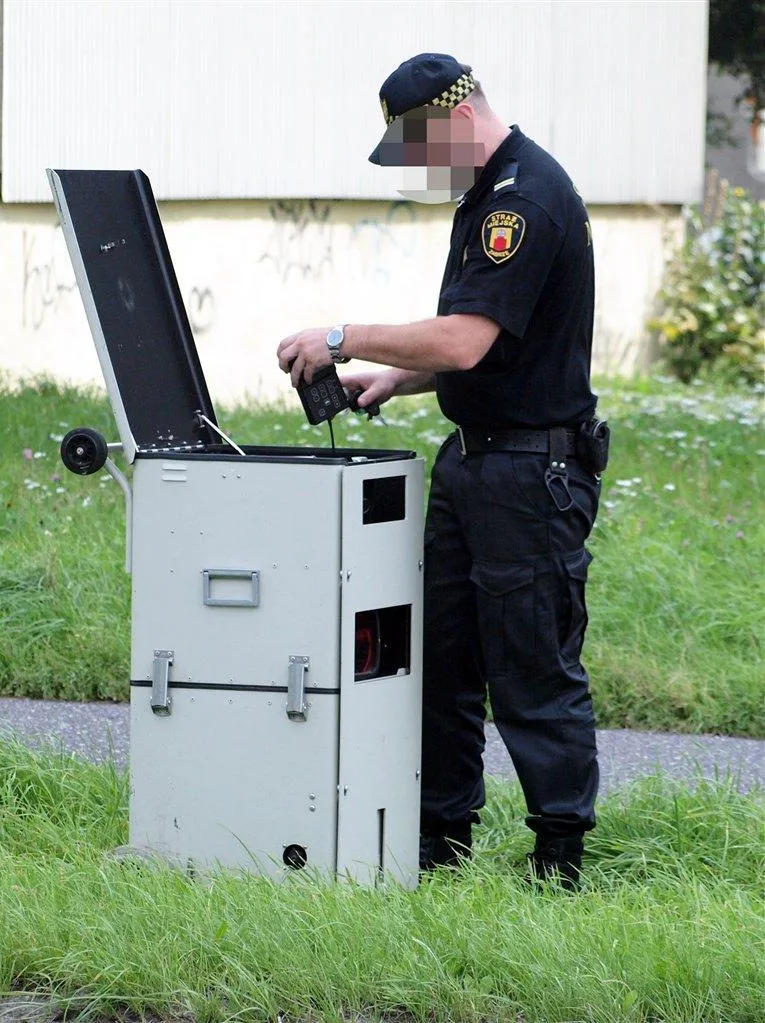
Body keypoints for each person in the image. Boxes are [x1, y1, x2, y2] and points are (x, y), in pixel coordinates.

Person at [276, 53, 605, 888]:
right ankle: (440, 844)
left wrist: (344, 338)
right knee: (442, 666)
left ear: (457, 120)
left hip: (529, 478)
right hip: (476, 466)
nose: (421, 170)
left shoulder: (520, 199)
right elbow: (484, 343)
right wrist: (399, 377)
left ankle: (558, 863)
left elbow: (464, 337)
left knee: (531, 669)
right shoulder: (488, 191)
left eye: (421, 150)